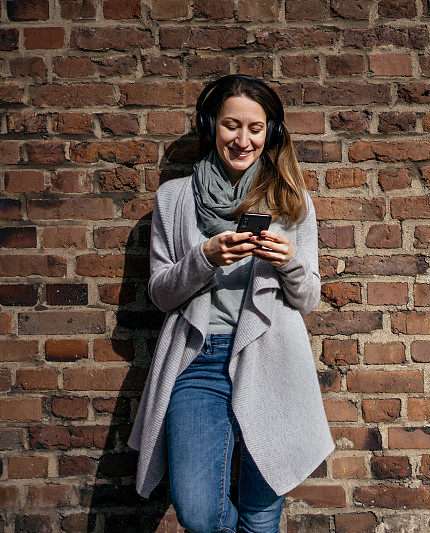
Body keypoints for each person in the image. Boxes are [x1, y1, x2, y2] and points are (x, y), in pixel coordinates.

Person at [127, 74, 335, 533]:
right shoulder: (174, 198)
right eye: (231, 126)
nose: (243, 140)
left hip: (271, 360)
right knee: (199, 514)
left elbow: (308, 298)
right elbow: (161, 293)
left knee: (261, 511)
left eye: (255, 129)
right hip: (197, 361)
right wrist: (204, 257)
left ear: (271, 133)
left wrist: (290, 262)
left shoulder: (291, 199)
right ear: (210, 126)